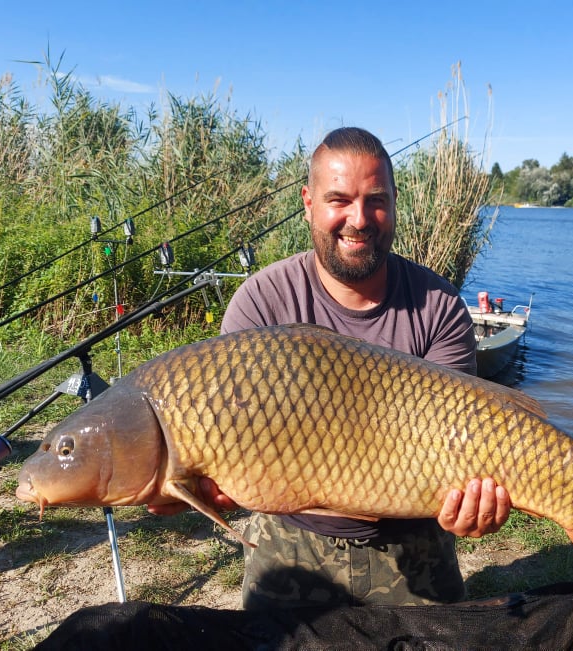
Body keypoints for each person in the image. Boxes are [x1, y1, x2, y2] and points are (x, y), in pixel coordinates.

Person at [152, 126, 511, 609]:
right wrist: (196, 484)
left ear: (395, 202)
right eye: (339, 199)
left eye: (376, 200)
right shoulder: (260, 303)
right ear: (308, 203)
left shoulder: (439, 305)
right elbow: (231, 445)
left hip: (413, 539)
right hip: (290, 539)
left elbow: (465, 446)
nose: (359, 219)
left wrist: (472, 506)